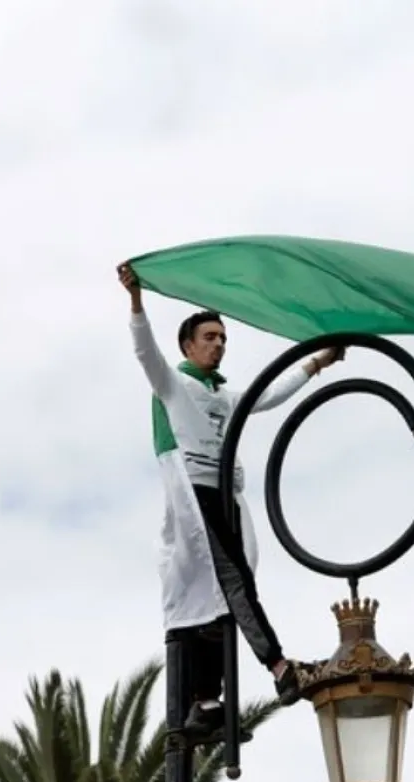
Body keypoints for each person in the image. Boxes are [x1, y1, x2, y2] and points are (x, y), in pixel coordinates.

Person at [119, 263, 344, 744]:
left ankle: (206, 701)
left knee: (214, 604)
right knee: (233, 582)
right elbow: (145, 353)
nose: (219, 344)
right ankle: (280, 667)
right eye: (210, 337)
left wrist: (318, 362)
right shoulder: (175, 385)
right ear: (188, 345)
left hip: (224, 497)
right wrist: (136, 300)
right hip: (195, 496)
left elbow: (269, 394)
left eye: (223, 338)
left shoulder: (224, 394)